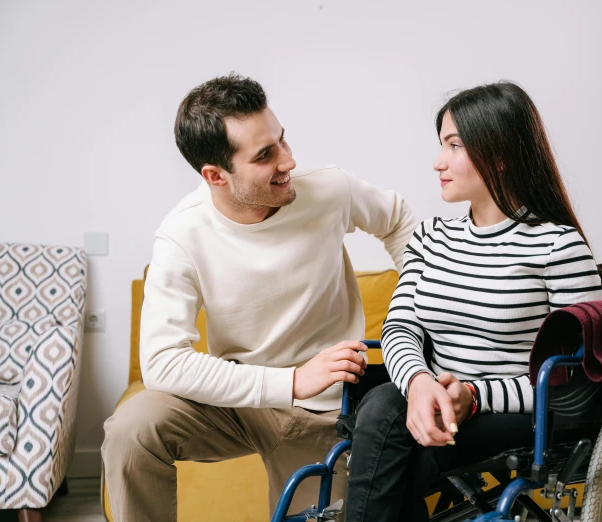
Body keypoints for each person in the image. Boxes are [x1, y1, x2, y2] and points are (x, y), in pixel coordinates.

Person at [101, 73, 417, 522]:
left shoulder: (328, 190)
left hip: (325, 411)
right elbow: (162, 362)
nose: (288, 161)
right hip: (237, 404)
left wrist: (418, 306)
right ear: (216, 176)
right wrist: (289, 382)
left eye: (282, 141)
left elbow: (399, 219)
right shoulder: (182, 234)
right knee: (132, 429)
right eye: (265, 155)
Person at [345, 81, 602, 522]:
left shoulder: (557, 247)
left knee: (388, 428)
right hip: (427, 402)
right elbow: (400, 328)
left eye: (454, 145)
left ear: (499, 153)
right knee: (389, 405)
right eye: (440, 144)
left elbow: (575, 378)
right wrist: (421, 384)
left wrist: (475, 395)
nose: (437, 161)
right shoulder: (429, 238)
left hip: (514, 414)